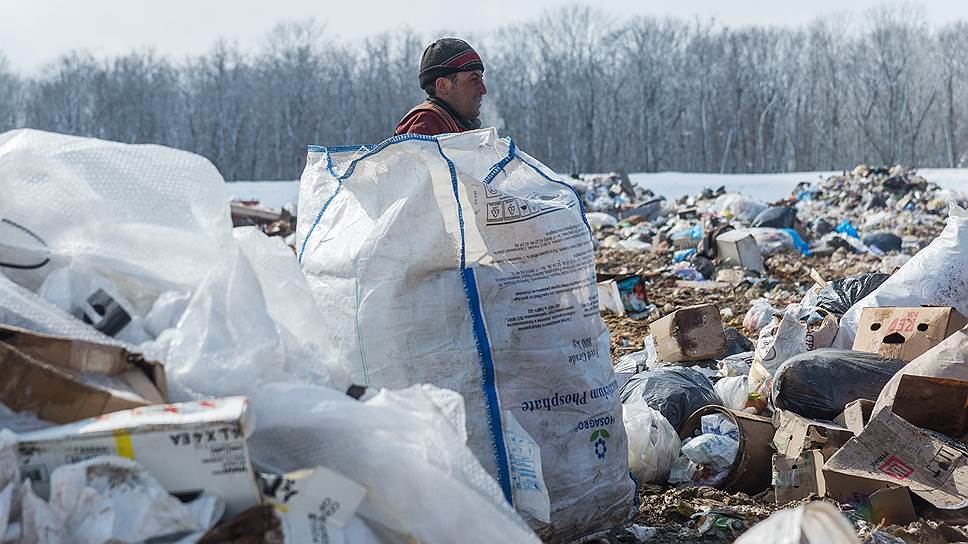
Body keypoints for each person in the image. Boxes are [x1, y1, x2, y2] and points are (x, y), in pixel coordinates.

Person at [394, 38, 487, 136]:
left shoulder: (456, 124)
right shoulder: (425, 124)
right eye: (473, 79)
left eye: (481, 80)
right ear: (443, 85)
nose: (483, 90)